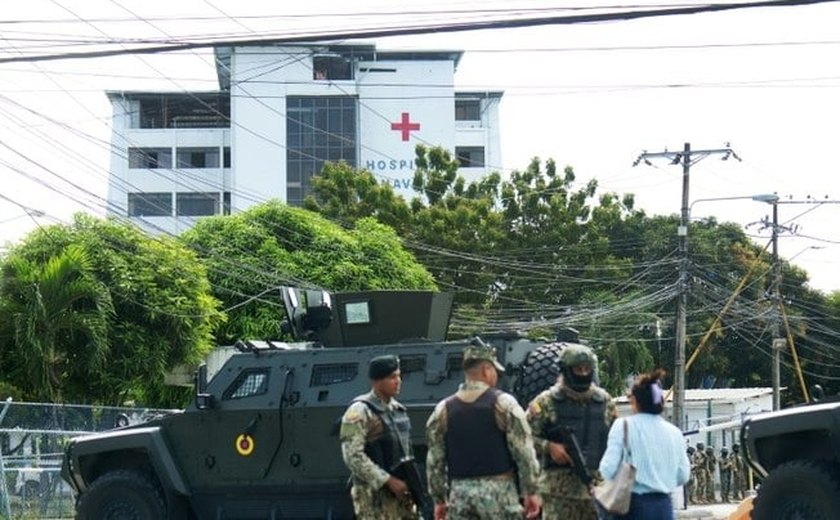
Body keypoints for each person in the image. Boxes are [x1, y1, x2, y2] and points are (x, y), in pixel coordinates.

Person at [426, 338, 541, 520]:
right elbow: (524, 452)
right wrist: (531, 491)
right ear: (487, 370)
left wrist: (439, 500)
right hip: (499, 495)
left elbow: (435, 462)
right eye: (495, 371)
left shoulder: (442, 409)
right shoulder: (504, 404)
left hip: (460, 497)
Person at [526, 344, 617, 520]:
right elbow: (522, 437)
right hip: (558, 492)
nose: (583, 373)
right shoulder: (546, 402)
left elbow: (616, 440)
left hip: (596, 490)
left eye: (587, 369)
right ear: (565, 370)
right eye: (578, 369)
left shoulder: (604, 401)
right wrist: (548, 447)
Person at [598, 369, 690, 520]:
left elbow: (608, 469)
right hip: (664, 507)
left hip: (632, 506)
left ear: (635, 400)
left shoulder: (624, 425)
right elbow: (683, 475)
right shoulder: (675, 433)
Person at [340, 355, 417, 519]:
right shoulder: (358, 411)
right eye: (392, 377)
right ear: (376, 381)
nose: (398, 381)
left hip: (401, 496)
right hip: (373, 497)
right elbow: (352, 455)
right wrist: (388, 481)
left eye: (399, 376)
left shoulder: (398, 410)